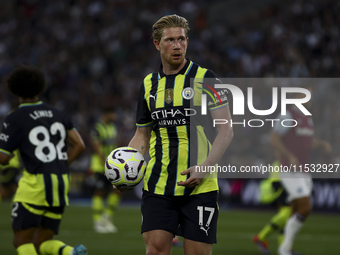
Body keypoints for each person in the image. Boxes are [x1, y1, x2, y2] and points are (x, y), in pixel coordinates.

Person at [125, 14, 234, 255]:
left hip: (200, 187)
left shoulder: (207, 79)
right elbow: (142, 135)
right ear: (157, 44)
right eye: (170, 40)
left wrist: (205, 167)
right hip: (158, 184)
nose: (177, 45)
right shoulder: (148, 84)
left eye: (182, 39)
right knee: (156, 251)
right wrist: (127, 168)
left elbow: (226, 130)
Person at [0, 65, 87, 255]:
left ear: (15, 90)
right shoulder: (58, 114)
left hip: (35, 183)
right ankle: (71, 252)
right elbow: (80, 145)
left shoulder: (15, 118)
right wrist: (61, 164)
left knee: (21, 241)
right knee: (42, 242)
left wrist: (7, 158)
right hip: (61, 181)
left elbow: (3, 157)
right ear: (40, 88)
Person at [270, 87, 331, 255]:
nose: (310, 100)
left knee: (296, 210)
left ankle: (286, 248)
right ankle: (284, 250)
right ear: (297, 97)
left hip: (304, 170)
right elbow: (274, 139)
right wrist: (289, 155)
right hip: (290, 170)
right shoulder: (287, 116)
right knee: (306, 208)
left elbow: (307, 142)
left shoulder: (307, 119)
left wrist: (321, 144)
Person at [89, 107, 121, 233]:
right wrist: (106, 162)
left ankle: (106, 218)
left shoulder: (112, 127)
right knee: (99, 192)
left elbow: (113, 145)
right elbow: (97, 148)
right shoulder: (97, 128)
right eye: (113, 113)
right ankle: (97, 221)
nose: (115, 116)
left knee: (117, 190)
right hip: (99, 166)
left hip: (112, 165)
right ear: (107, 113)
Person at [252, 159, 292, 255]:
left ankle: (284, 248)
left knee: (287, 218)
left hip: (282, 183)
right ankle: (261, 237)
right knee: (287, 213)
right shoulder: (282, 160)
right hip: (282, 184)